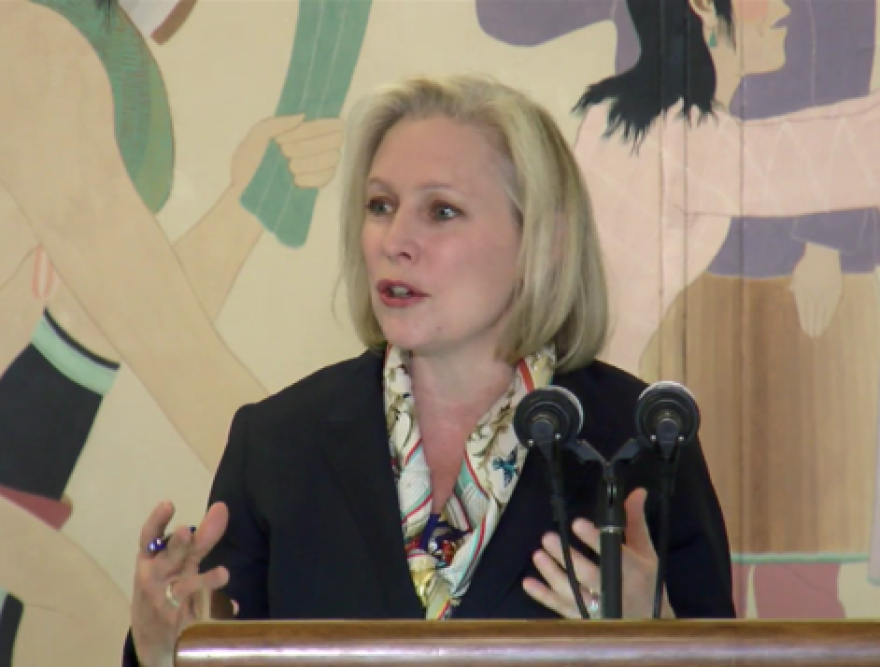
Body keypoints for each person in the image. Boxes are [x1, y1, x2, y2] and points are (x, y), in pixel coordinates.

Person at [123, 73, 736, 666]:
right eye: (380, 205)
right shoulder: (278, 442)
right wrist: (160, 653)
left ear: (541, 241)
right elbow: (209, 649)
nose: (395, 240)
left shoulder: (639, 440)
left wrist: (658, 645)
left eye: (441, 211)